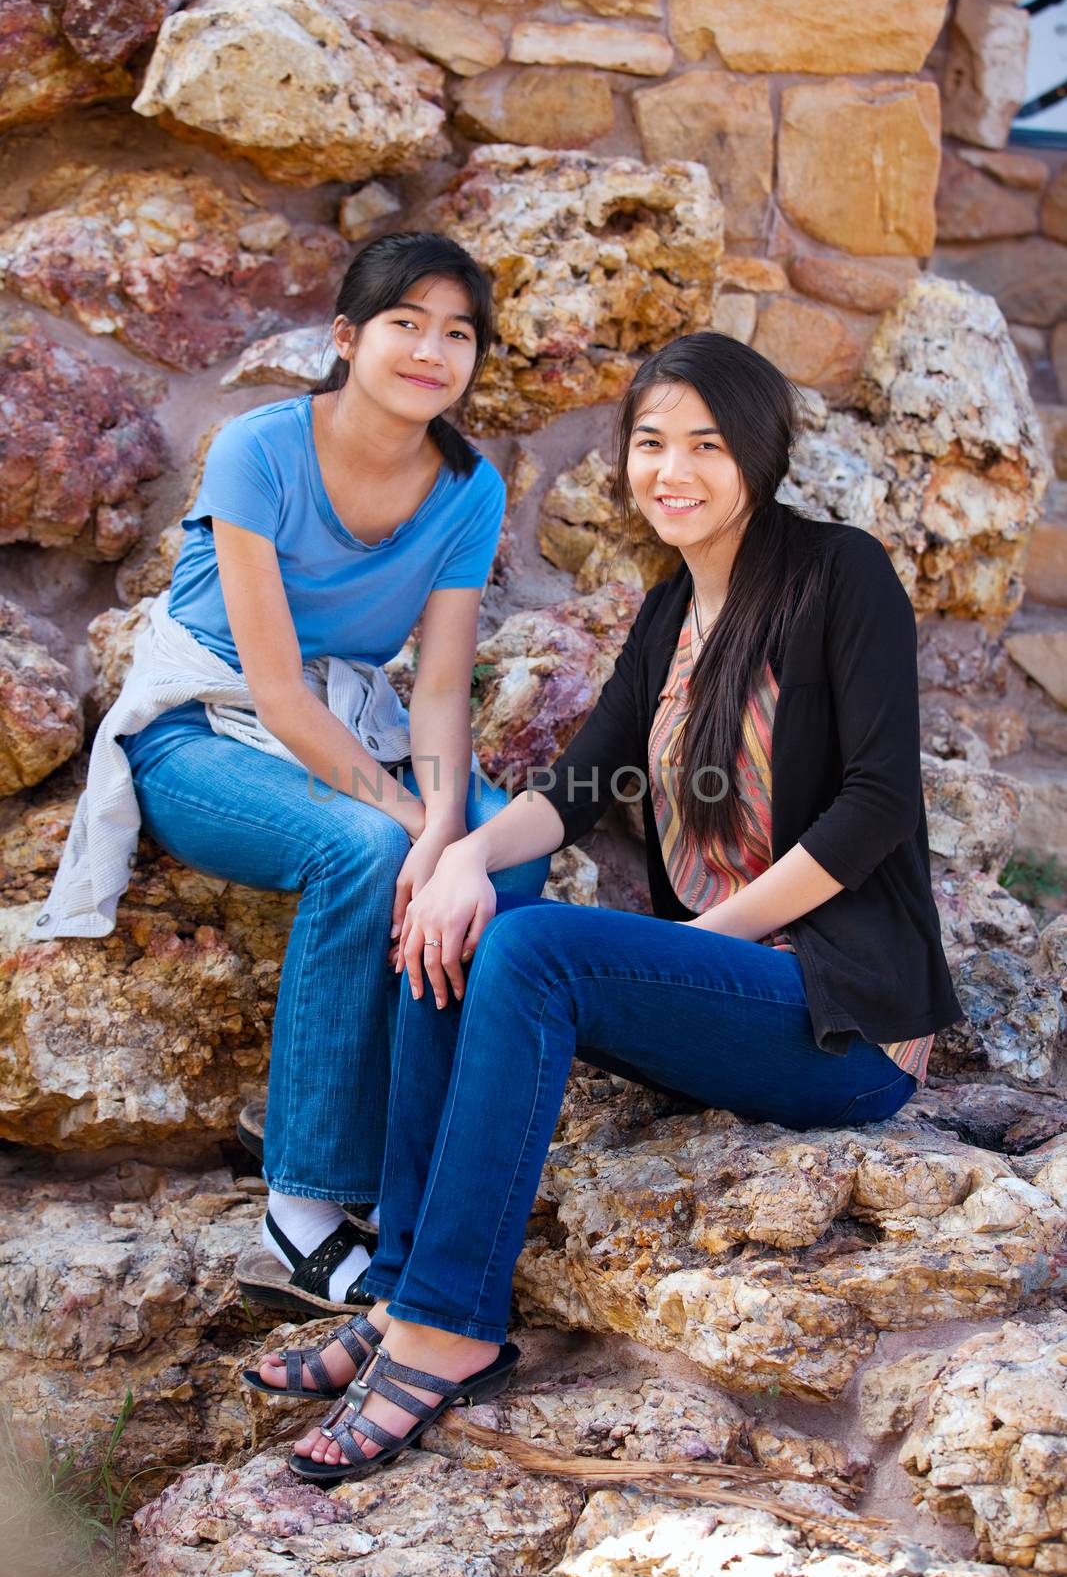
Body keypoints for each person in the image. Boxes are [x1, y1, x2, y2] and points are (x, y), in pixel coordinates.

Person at [246, 331, 962, 1485]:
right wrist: (463, 855)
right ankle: (399, 1300)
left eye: (704, 445)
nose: (669, 470)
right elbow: (578, 788)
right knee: (462, 912)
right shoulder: (671, 608)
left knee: (534, 950)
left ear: (759, 455)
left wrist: (687, 950)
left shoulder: (840, 575)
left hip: (841, 1021)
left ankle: (448, 1326)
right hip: (729, 1001)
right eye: (647, 443)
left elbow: (875, 802)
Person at [114, 231, 550, 1318]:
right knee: (365, 845)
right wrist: (407, 819)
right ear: (347, 338)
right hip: (203, 733)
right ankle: (300, 1211)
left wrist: (448, 825)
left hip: (364, 724)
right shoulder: (256, 451)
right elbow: (274, 690)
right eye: (406, 322)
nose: (431, 349)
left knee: (507, 850)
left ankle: (420, 1185)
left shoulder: (467, 486)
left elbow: (441, 687)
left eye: (458, 333)